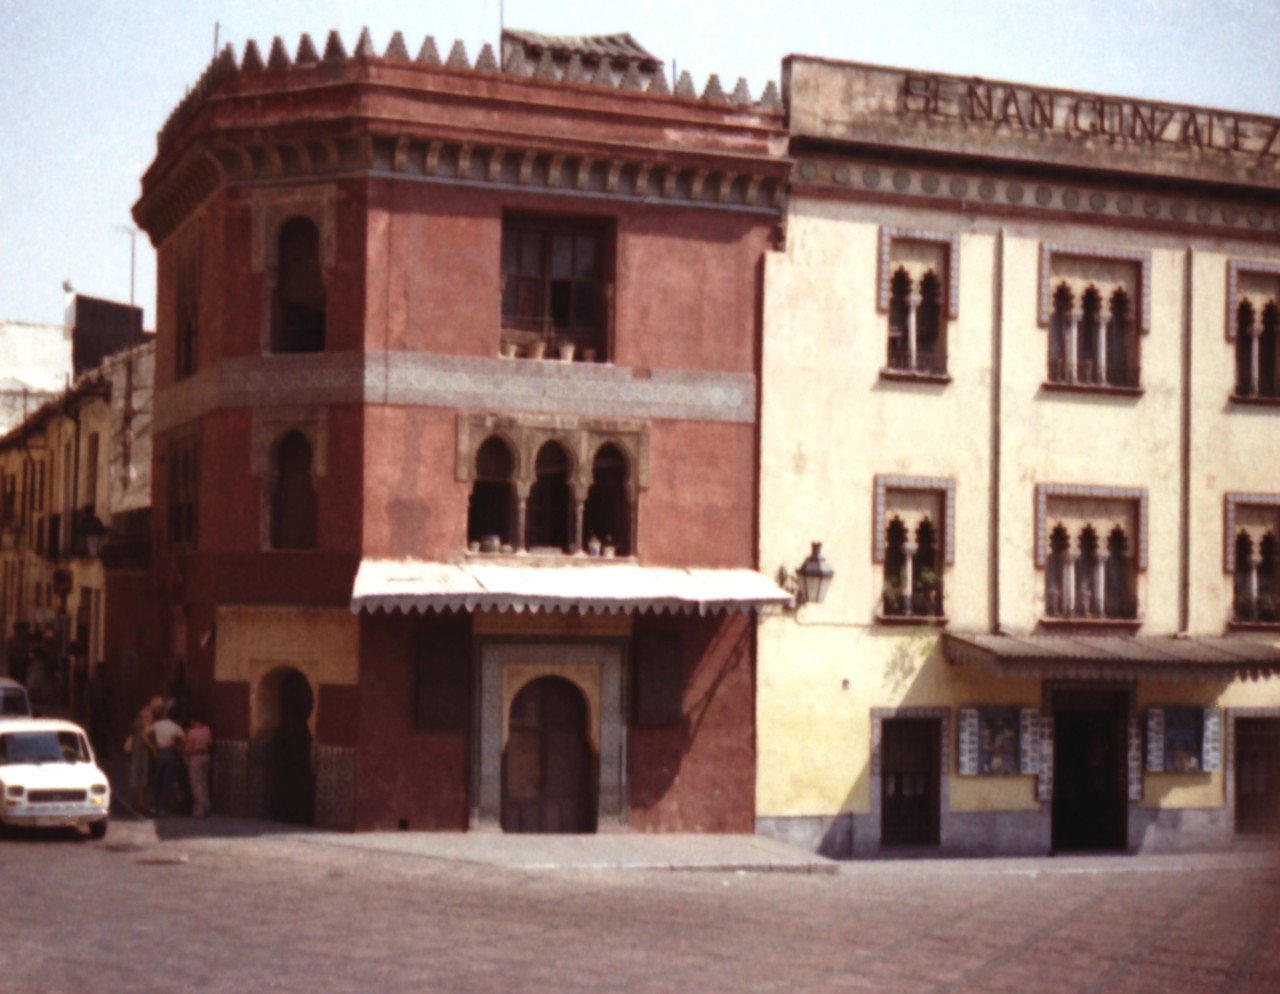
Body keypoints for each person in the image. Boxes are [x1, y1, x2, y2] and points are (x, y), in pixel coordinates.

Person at [148, 706, 185, 817]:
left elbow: (144, 733)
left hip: (160, 751)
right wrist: (179, 747)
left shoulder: (158, 724)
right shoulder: (176, 727)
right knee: (167, 781)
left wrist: (153, 747)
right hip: (170, 752)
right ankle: (164, 808)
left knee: (156, 780)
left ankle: (153, 806)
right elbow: (184, 738)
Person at [130, 696, 163, 814]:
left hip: (137, 745)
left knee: (138, 773)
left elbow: (134, 727)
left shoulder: (142, 712)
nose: (160, 710)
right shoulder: (149, 715)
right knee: (143, 774)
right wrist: (153, 747)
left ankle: (136, 801)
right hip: (143, 748)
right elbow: (145, 735)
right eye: (159, 708)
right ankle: (142, 804)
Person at [184, 716, 214, 818]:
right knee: (204, 782)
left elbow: (188, 748)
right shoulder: (207, 730)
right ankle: (207, 805)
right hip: (206, 756)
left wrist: (185, 755)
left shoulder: (192, 732)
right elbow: (210, 742)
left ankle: (199, 810)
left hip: (195, 757)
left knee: (196, 783)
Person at [87, 662, 112, 759]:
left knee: (104, 731)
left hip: (104, 709)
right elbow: (88, 695)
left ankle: (103, 750)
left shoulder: (107, 682)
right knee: (95, 731)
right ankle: (95, 749)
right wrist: (89, 707)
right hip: (95, 708)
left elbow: (110, 696)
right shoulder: (92, 682)